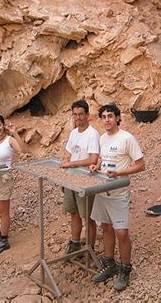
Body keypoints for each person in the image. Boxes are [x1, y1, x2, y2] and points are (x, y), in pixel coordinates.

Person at [89, 103, 145, 292]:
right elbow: (102, 160)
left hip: (119, 193)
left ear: (118, 118)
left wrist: (121, 172)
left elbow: (141, 165)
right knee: (105, 228)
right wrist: (97, 166)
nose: (107, 120)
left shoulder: (127, 138)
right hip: (102, 191)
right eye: (104, 117)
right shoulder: (103, 138)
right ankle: (110, 265)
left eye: (110, 116)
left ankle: (125, 269)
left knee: (121, 233)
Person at [59, 100, 100, 254]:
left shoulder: (92, 134)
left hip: (85, 180)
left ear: (87, 115)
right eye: (75, 114)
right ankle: (75, 243)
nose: (78, 117)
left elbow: (93, 159)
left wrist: (71, 165)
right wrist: (65, 178)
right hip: (71, 179)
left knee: (88, 216)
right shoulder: (73, 133)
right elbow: (69, 155)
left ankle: (90, 249)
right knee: (74, 212)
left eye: (81, 114)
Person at [0, 114, 25, 256]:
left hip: (4, 176)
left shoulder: (10, 140)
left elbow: (23, 150)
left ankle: (4, 240)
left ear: (3, 125)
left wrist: (15, 133)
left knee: (3, 211)